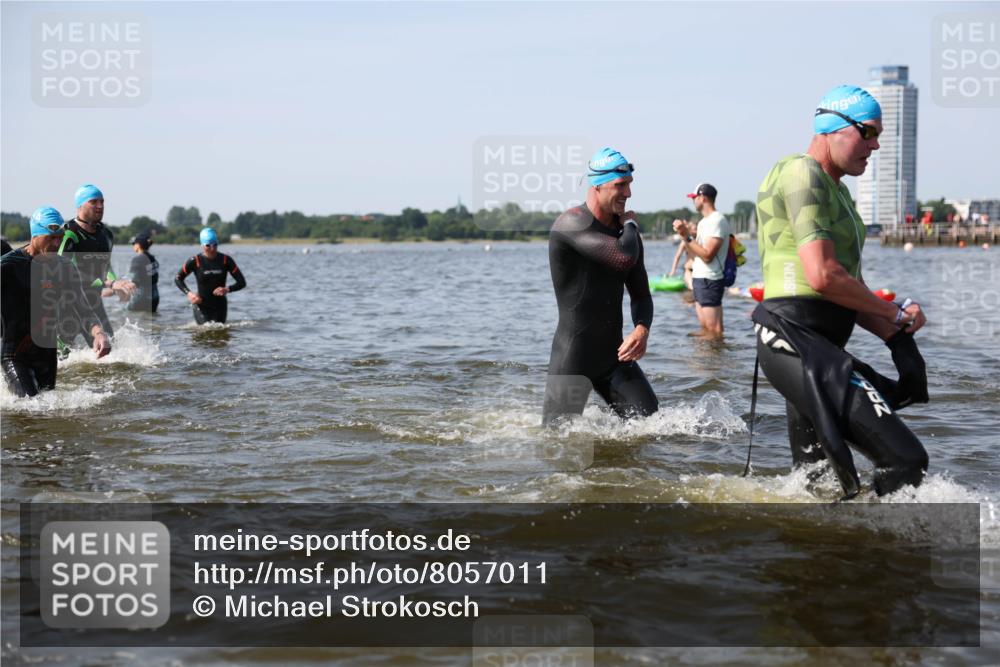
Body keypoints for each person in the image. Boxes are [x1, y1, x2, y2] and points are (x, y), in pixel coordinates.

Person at [753, 84, 929, 499]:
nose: (877, 145)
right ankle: (887, 555)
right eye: (868, 132)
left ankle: (827, 555)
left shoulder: (840, 193)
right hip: (793, 341)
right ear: (835, 127)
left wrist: (897, 327)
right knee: (906, 459)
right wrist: (891, 315)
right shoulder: (802, 172)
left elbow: (849, 289)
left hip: (818, 347)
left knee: (818, 485)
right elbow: (823, 277)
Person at [542, 147, 657, 424]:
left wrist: (642, 329)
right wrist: (630, 224)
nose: (628, 193)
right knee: (557, 442)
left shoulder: (626, 235)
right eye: (620, 185)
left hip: (614, 357)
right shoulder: (571, 224)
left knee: (652, 426)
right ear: (597, 185)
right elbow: (621, 258)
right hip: (573, 358)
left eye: (629, 185)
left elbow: (641, 293)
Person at [1, 207, 111, 397]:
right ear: (35, 234)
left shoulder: (64, 266)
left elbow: (82, 307)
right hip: (16, 355)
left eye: (60, 237)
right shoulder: (10, 265)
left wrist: (99, 333)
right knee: (29, 407)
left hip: (47, 355)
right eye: (51, 237)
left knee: (49, 412)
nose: (56, 243)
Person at [57, 184, 135, 348]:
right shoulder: (68, 233)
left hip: (93, 301)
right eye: (94, 202)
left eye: (102, 202)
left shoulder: (106, 234)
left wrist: (116, 286)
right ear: (80, 205)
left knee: (109, 349)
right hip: (68, 302)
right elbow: (64, 273)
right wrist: (110, 283)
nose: (100, 206)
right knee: (60, 359)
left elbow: (106, 267)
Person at [672, 183, 730, 338]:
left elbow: (707, 255)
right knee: (705, 329)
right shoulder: (704, 222)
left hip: (710, 279)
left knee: (714, 330)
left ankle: (715, 361)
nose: (693, 201)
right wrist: (683, 234)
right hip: (700, 278)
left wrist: (686, 235)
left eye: (694, 198)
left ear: (702, 198)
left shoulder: (717, 220)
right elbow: (695, 253)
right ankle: (706, 361)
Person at [175, 228, 246, 324]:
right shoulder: (195, 261)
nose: (212, 248)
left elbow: (242, 282)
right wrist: (189, 294)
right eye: (208, 245)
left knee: (220, 336)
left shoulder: (225, 260)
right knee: (205, 332)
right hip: (201, 305)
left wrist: (227, 289)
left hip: (220, 306)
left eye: (215, 244)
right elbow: (178, 278)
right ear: (202, 245)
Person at [127, 233, 160, 313]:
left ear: (138, 245)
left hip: (140, 297)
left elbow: (134, 280)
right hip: (155, 296)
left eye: (133, 244)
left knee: (131, 318)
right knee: (151, 320)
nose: (133, 246)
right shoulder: (153, 258)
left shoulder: (137, 259)